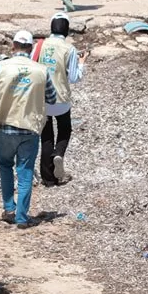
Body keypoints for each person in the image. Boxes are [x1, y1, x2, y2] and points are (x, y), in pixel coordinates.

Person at [0, 30, 57, 228]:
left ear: (13, 46)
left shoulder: (1, 67)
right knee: (25, 172)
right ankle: (22, 217)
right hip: (30, 128)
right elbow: (52, 98)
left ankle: (9, 209)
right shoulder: (41, 70)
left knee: (5, 166)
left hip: (6, 126)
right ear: (30, 48)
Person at [31, 13, 86, 187]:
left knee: (46, 136)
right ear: (67, 30)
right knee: (65, 129)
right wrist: (82, 62)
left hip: (42, 99)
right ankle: (59, 153)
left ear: (51, 28)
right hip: (61, 99)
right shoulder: (69, 49)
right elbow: (74, 78)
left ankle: (48, 179)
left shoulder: (39, 45)